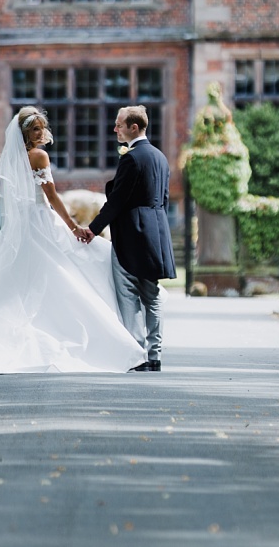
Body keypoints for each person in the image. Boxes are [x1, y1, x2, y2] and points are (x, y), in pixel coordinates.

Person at [0, 107, 146, 376]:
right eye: (35, 129)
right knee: (73, 270)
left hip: (21, 225)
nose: (41, 133)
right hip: (40, 221)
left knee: (26, 281)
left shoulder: (12, 158)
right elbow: (51, 196)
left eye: (42, 128)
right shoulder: (39, 156)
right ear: (25, 133)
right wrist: (73, 227)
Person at [81, 105, 176, 372]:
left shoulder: (132, 158)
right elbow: (165, 201)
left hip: (131, 234)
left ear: (134, 127)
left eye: (119, 125)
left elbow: (117, 201)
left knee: (128, 295)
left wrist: (93, 228)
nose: (115, 129)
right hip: (156, 234)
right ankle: (154, 355)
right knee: (152, 296)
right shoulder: (161, 157)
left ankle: (136, 354)